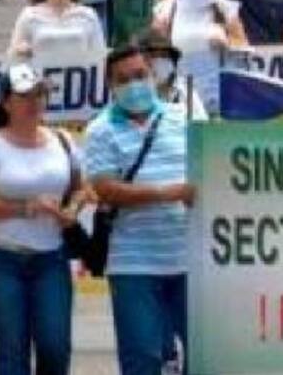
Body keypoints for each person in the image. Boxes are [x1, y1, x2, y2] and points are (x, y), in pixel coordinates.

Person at [83, 44, 196, 375]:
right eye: (123, 79)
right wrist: (166, 193)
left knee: (202, 351)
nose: (134, 84)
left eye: (139, 75)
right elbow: (106, 189)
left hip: (189, 258)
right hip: (134, 262)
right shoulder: (100, 129)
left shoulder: (183, 117)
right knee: (143, 357)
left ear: (152, 75)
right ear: (111, 86)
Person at [0, 63, 81, 375]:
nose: (34, 103)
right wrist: (24, 207)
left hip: (51, 259)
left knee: (55, 348)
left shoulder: (62, 139)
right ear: (6, 102)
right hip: (0, 259)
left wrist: (73, 210)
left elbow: (83, 188)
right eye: (25, 96)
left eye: (40, 95)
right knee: (13, 350)